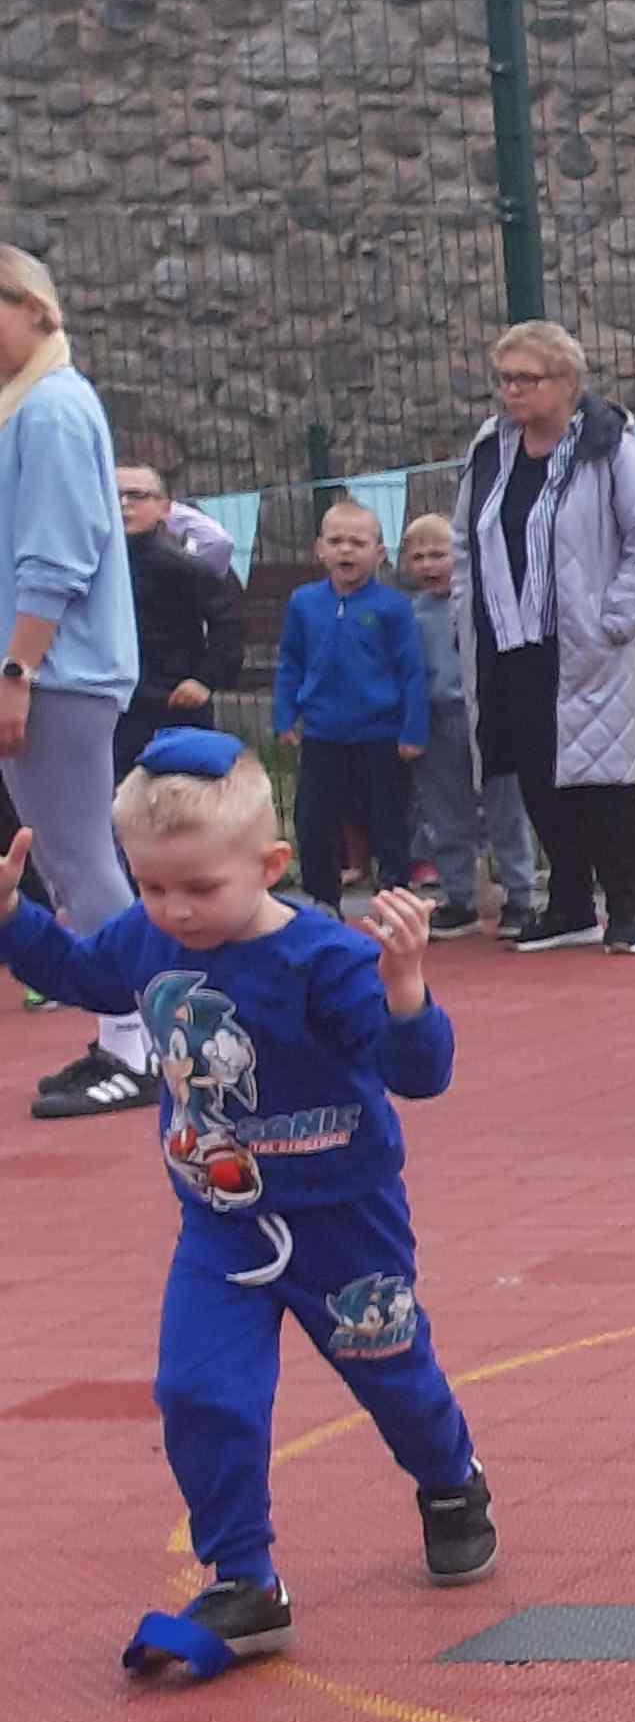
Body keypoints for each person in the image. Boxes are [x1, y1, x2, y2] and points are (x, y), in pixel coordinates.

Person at [2, 732, 494, 1675]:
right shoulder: (146, 939)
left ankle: (449, 1478)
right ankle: (245, 1577)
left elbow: (419, 1074)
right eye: (151, 885)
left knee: (391, 1371)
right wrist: (13, 920)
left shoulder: (322, 959)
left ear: (269, 866)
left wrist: (405, 990)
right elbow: (80, 974)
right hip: (220, 1225)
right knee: (199, 1390)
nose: (173, 910)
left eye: (199, 888)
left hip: (343, 1221)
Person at [453, 321, 635, 956]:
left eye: (528, 379)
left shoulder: (611, 448)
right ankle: (570, 904)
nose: (513, 392)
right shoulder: (489, 448)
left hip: (586, 640)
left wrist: (614, 621)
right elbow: (467, 537)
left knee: (606, 779)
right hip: (509, 638)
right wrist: (469, 611)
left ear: (569, 382)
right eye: (505, 380)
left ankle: (626, 909)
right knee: (535, 771)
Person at [0, 249, 158, 1120]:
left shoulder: (52, 409)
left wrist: (17, 670)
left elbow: (56, 555)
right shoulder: (29, 407)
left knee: (80, 858)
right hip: (50, 666)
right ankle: (124, 1035)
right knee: (70, 859)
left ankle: (138, 1043)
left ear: (34, 307)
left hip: (55, 668)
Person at [271, 499, 431, 914]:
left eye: (358, 543)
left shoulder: (393, 606)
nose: (346, 550)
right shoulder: (303, 602)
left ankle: (394, 897)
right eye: (336, 541)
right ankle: (323, 901)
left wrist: (413, 730)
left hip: (382, 734)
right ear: (319, 549)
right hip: (323, 733)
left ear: (378, 553)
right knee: (314, 821)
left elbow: (411, 670)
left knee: (389, 820)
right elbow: (290, 661)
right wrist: (284, 715)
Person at [398, 510, 532, 939]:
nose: (429, 565)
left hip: (486, 716)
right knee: (445, 812)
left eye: (439, 554)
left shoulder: (482, 603)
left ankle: (520, 894)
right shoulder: (409, 615)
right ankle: (459, 897)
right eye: (418, 557)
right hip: (435, 722)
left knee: (505, 808)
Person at [113, 462, 241, 737]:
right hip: (110, 698)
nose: (123, 504)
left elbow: (228, 623)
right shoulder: (90, 562)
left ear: (165, 508)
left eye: (137, 495)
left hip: (172, 701)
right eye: (114, 494)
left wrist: (204, 680)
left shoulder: (183, 566)